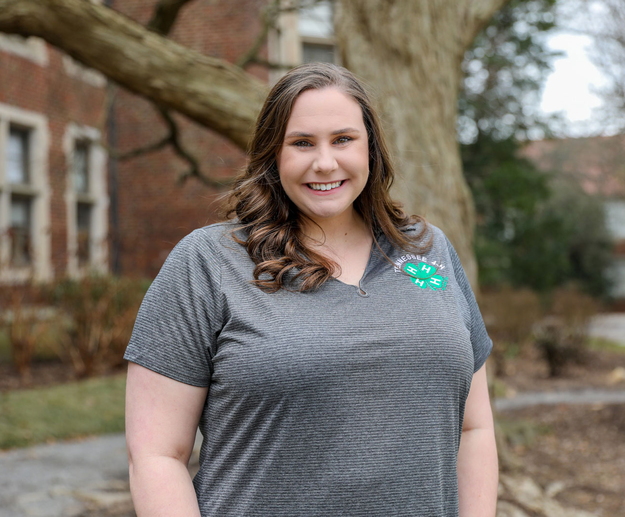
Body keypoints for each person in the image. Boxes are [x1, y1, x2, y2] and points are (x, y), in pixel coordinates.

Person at [124, 62, 498, 517]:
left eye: (343, 139)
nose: (325, 162)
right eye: (302, 143)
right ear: (272, 155)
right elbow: (157, 456)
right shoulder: (207, 262)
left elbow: (474, 428)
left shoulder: (428, 248)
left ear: (371, 149)